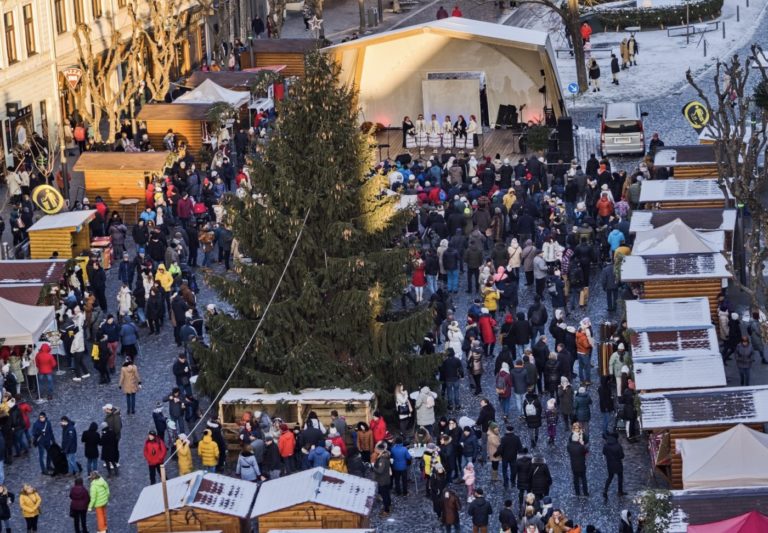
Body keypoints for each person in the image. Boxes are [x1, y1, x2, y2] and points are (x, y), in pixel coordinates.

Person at [494, 425, 523, 489]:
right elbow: (520, 448)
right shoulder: (516, 438)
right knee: (513, 470)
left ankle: (506, 483)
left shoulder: (504, 439)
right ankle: (512, 482)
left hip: (505, 457)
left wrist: (496, 454)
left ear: (507, 430)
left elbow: (500, 449)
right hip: (513, 457)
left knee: (505, 470)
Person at [372, 442, 392, 517]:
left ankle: (386, 510)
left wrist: (373, 467)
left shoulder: (382, 459)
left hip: (382, 480)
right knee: (387, 493)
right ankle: (389, 505)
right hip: (386, 478)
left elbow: (380, 471)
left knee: (384, 495)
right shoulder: (386, 456)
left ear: (379, 450)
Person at [567, 432, 589, 496]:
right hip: (582, 465)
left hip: (573, 465)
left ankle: (577, 493)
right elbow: (586, 452)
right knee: (583, 479)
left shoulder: (569, 446)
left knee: (575, 479)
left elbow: (568, 449)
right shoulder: (581, 447)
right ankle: (585, 492)